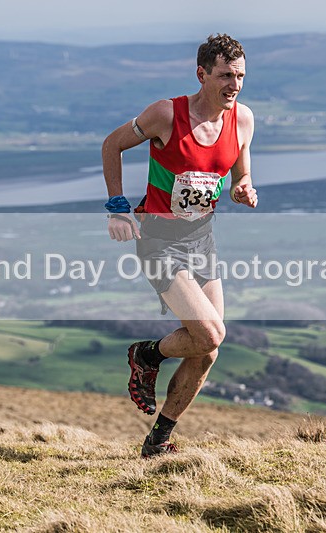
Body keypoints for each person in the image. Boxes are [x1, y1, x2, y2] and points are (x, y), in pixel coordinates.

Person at [101, 34, 257, 458]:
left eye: (241, 75)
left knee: (208, 350)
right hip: (159, 241)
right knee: (208, 333)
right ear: (202, 74)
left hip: (202, 241)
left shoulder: (242, 119)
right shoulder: (166, 114)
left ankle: (158, 440)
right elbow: (112, 144)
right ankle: (146, 355)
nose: (235, 84)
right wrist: (118, 207)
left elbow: (241, 171)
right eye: (226, 75)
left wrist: (244, 186)